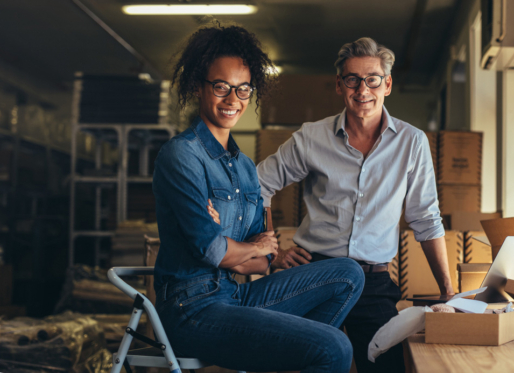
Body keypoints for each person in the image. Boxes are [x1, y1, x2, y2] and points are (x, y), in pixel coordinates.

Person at [152, 24, 364, 373]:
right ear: (198, 86)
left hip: (233, 297)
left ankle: (293, 355)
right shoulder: (182, 156)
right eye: (221, 86)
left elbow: (258, 264)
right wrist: (247, 248)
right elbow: (214, 251)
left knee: (348, 274)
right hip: (191, 310)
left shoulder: (246, 168)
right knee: (335, 347)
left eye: (243, 88)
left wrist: (239, 249)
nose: (233, 99)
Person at [256, 37, 454, 372]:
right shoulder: (311, 137)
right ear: (339, 85)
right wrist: (271, 251)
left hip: (373, 283)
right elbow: (258, 185)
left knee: (388, 366)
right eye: (352, 79)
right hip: (314, 276)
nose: (363, 90)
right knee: (308, 365)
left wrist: (448, 292)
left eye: (372, 79)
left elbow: (426, 219)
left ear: (387, 84)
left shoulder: (412, 142)